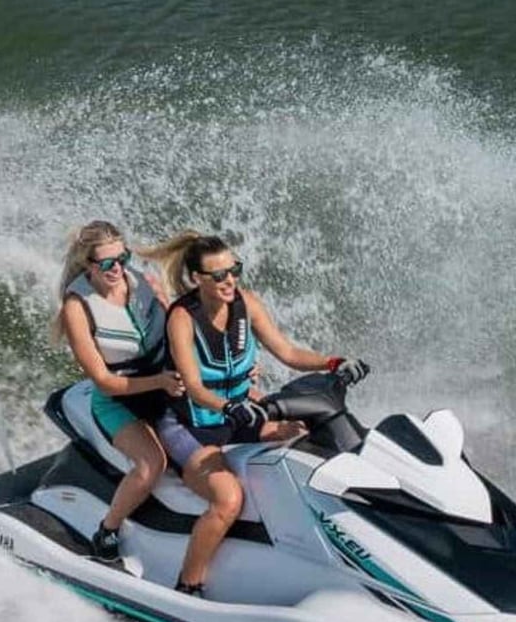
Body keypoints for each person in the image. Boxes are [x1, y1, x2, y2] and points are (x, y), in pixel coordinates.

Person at [141, 231, 369, 597]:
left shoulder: (246, 304)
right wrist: (229, 406)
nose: (229, 280)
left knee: (303, 436)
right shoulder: (182, 318)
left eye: (234, 271)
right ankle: (188, 585)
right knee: (228, 498)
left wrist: (335, 361)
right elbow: (195, 388)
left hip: (239, 417)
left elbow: (289, 352)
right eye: (219, 275)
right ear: (198, 279)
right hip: (193, 426)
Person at [53, 221, 187, 565]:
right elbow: (103, 381)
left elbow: (179, 330)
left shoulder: (146, 284)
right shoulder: (77, 308)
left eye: (122, 259)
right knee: (150, 465)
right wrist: (159, 382)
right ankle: (108, 531)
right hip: (118, 399)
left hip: (164, 383)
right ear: (88, 265)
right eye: (107, 264)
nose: (118, 269)